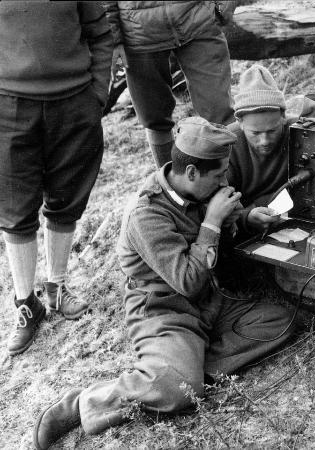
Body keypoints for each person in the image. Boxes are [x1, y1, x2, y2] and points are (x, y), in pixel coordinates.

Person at [33, 117, 294, 449]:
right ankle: (85, 404)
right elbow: (186, 280)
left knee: (279, 322)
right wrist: (212, 220)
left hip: (210, 300)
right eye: (219, 174)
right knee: (177, 390)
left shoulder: (201, 189)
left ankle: (186, 372)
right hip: (164, 309)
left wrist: (245, 218)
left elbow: (224, 231)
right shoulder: (147, 214)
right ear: (191, 173)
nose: (225, 180)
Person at [0, 2, 112, 356]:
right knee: (16, 208)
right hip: (10, 106)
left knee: (66, 198)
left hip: (74, 102)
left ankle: (57, 287)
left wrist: (96, 94)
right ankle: (25, 304)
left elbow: (99, 32)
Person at [103, 1, 236, 168]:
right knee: (154, 118)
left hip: (197, 21)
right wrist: (113, 39)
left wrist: (225, 5)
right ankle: (171, 186)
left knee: (219, 111)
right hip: (138, 35)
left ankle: (235, 181)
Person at [226, 64, 296, 234]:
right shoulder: (227, 143)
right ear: (240, 123)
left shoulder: (300, 132)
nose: (264, 141)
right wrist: (246, 217)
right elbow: (214, 204)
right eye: (255, 133)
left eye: (272, 131)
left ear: (283, 117)